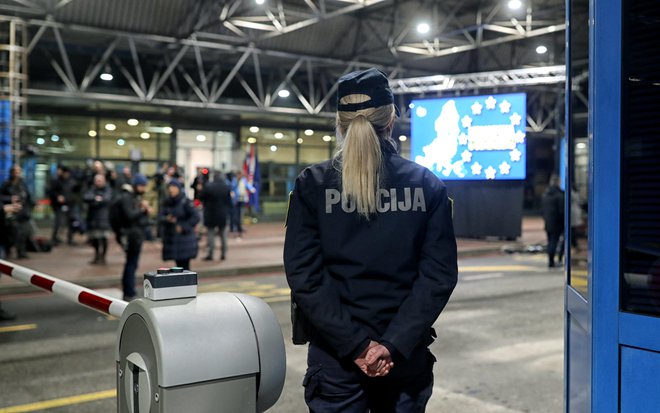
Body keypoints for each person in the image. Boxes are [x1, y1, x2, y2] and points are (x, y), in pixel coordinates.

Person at [284, 68, 458, 412]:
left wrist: (357, 346)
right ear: (391, 119)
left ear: (339, 123)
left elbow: (305, 276)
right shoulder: (427, 185)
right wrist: (391, 344)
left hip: (335, 358)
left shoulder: (312, 185)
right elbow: (437, 277)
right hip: (404, 357)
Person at [116, 174, 153, 300]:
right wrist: (142, 210)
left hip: (135, 235)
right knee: (131, 264)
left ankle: (129, 290)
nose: (143, 189)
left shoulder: (135, 198)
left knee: (132, 263)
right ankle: (129, 292)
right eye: (141, 186)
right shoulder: (128, 198)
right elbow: (130, 216)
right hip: (131, 236)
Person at [159, 180, 199, 270]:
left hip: (185, 239)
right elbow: (160, 218)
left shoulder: (185, 201)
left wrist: (183, 227)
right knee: (178, 267)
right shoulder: (166, 202)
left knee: (185, 267)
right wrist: (167, 219)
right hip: (173, 239)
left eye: (174, 187)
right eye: (170, 188)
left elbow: (195, 216)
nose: (171, 190)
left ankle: (187, 283)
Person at [1, 166, 34, 259]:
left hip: (22, 213)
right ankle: (8, 251)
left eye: (19, 171)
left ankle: (21, 251)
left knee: (23, 233)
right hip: (10, 212)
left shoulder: (23, 184)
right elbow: (1, 196)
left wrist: (29, 208)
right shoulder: (6, 184)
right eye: (15, 171)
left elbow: (29, 197)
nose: (17, 173)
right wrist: (9, 199)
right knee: (9, 234)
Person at [199, 171, 231, 261]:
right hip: (222, 214)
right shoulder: (226, 187)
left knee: (211, 235)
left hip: (210, 213)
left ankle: (211, 254)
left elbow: (201, 197)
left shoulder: (209, 186)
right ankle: (223, 253)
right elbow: (229, 202)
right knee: (223, 235)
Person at [83, 173, 113, 265]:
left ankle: (103, 257)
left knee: (104, 239)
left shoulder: (108, 189)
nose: (98, 182)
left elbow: (107, 199)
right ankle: (97, 256)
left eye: (100, 180)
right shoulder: (92, 189)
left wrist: (95, 201)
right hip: (93, 218)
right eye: (96, 180)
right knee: (94, 239)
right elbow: (86, 197)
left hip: (104, 218)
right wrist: (96, 199)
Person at [542, 174, 565, 268]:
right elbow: (561, 211)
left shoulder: (545, 195)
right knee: (555, 242)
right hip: (557, 223)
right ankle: (557, 260)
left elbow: (542, 210)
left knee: (550, 241)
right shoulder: (559, 195)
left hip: (548, 222)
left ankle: (551, 261)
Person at [48, 166, 76, 245]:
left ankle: (70, 238)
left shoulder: (72, 182)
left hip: (69, 204)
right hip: (59, 205)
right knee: (58, 222)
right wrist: (58, 197)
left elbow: (75, 192)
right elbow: (52, 192)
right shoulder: (57, 181)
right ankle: (55, 238)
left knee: (71, 221)